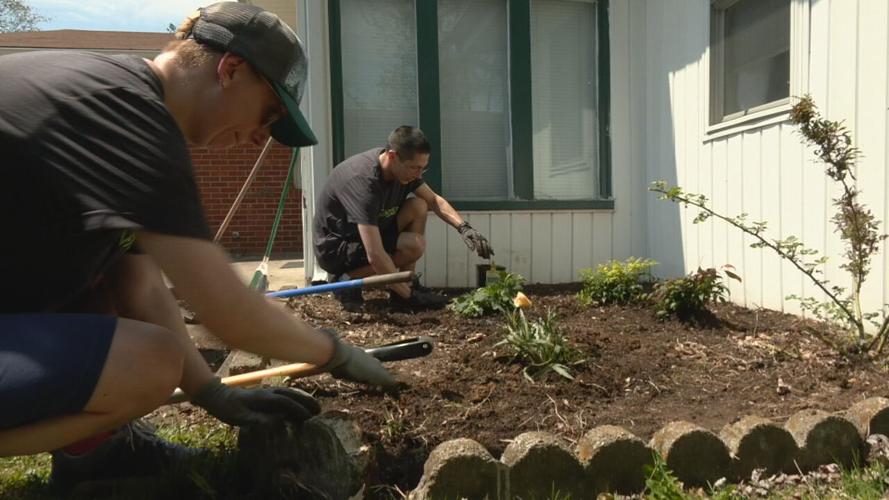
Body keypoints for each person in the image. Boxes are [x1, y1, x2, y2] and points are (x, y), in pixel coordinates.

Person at [0, 1, 394, 492]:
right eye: (269, 113)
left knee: (103, 288)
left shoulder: (110, 94)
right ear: (230, 69)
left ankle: (98, 457)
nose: (260, 138)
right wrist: (335, 351)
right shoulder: (129, 117)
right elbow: (227, 312)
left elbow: (141, 286)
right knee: (153, 362)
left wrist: (211, 393)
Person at [313, 126, 494, 312]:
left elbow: (433, 200)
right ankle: (346, 281)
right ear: (392, 156)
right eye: (415, 168)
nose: (418, 174)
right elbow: (375, 255)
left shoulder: (404, 171)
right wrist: (411, 298)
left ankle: (405, 286)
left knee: (418, 205)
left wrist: (464, 228)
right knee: (413, 245)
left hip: (365, 236)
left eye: (423, 168)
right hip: (337, 248)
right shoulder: (364, 182)